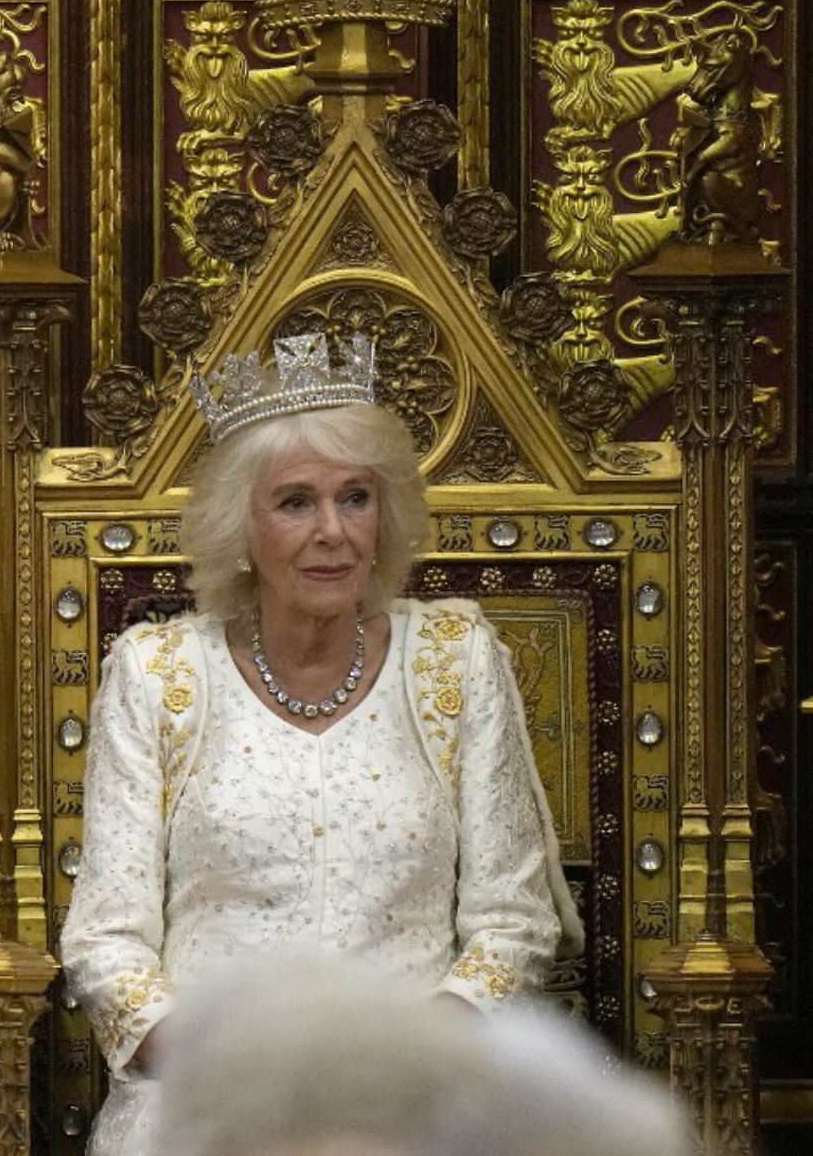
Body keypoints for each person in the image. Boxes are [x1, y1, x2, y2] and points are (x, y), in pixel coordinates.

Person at [59, 332, 582, 1154]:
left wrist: (393, 1071)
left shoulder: (455, 660)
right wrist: (239, 1076)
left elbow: (512, 925)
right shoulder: (157, 673)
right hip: (208, 1099)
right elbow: (106, 939)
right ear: (241, 525)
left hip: (417, 1096)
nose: (333, 530)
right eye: (296, 501)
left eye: (356, 497)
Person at [154, 953, 689, 1156]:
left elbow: (510, 917)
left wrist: (413, 1049)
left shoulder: (524, 1082)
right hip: (205, 1070)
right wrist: (192, 1054)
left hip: (423, 1065)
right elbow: (113, 934)